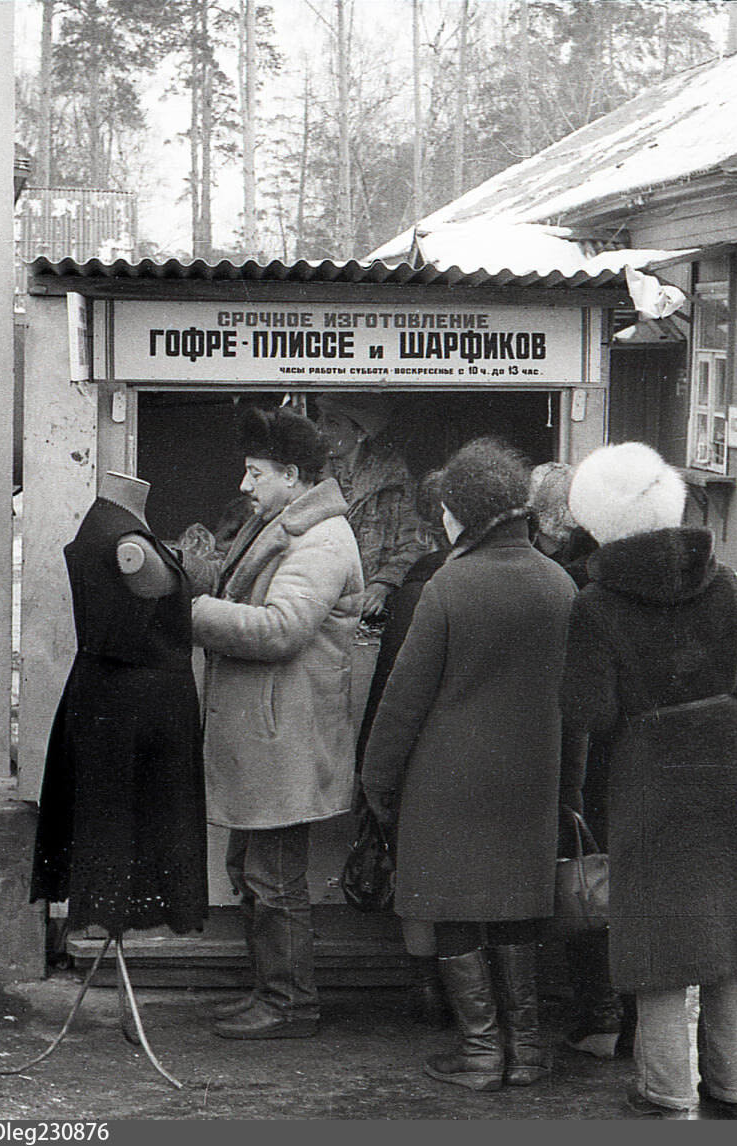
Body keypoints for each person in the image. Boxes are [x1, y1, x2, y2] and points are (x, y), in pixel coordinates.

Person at [560, 442, 737, 1120]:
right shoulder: (725, 581)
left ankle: (663, 1088)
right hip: (731, 765)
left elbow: (587, 713)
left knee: (659, 938)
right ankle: (733, 1088)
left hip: (649, 776)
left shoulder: (595, 604)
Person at [361, 437, 581, 1092]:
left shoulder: (450, 586)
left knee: (455, 909)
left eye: (448, 511)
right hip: (532, 780)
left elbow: (403, 702)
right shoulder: (560, 584)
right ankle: (529, 1052)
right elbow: (578, 706)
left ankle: (482, 1054)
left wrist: (378, 783)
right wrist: (566, 789)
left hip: (447, 784)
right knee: (517, 910)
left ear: (465, 512)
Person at [190, 406, 365, 1039]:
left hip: (284, 737)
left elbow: (281, 628)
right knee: (254, 871)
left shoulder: (320, 540)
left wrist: (195, 611)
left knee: (275, 877)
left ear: (291, 475)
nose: (245, 485)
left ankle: (291, 1004)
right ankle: (270, 992)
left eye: (254, 472)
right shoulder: (285, 523)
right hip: (271, 735)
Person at [30, 471, 209, 944]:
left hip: (115, 700)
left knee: (117, 830)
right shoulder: (125, 543)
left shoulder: (111, 527)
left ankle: (110, 920)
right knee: (124, 831)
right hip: (134, 712)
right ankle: (110, 920)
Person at [352, 468, 452, 1029]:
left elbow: (393, 692)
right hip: (487, 768)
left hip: (422, 764)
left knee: (418, 880)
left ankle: (428, 990)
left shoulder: (419, 591)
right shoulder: (540, 578)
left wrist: (372, 776)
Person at [528, 460, 622, 1059]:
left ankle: (600, 1015)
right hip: (632, 758)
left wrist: (568, 788)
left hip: (591, 762)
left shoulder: (572, 584)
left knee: (589, 881)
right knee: (623, 889)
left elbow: (575, 703)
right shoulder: (609, 570)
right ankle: (630, 1017)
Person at [315, 394, 433, 621]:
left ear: (361, 433)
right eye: (320, 419)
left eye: (332, 423)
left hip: (372, 609)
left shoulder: (395, 480)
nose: (319, 429)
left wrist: (383, 584)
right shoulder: (310, 477)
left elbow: (415, 543)